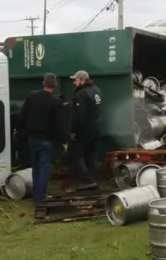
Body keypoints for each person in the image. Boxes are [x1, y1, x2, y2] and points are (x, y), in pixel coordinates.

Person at [17, 73, 66, 203]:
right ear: (54, 86)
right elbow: (59, 124)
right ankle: (41, 196)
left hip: (32, 138)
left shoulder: (32, 96)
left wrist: (20, 131)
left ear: (43, 83)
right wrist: (62, 140)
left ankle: (36, 192)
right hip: (46, 140)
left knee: (36, 166)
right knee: (44, 167)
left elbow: (22, 115)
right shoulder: (56, 102)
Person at [69, 70, 103, 191]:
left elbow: (79, 116)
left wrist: (74, 131)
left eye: (76, 80)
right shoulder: (97, 90)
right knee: (92, 156)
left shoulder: (81, 94)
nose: (74, 82)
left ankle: (87, 180)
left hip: (85, 129)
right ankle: (94, 181)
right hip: (97, 127)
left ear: (82, 80)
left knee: (76, 155)